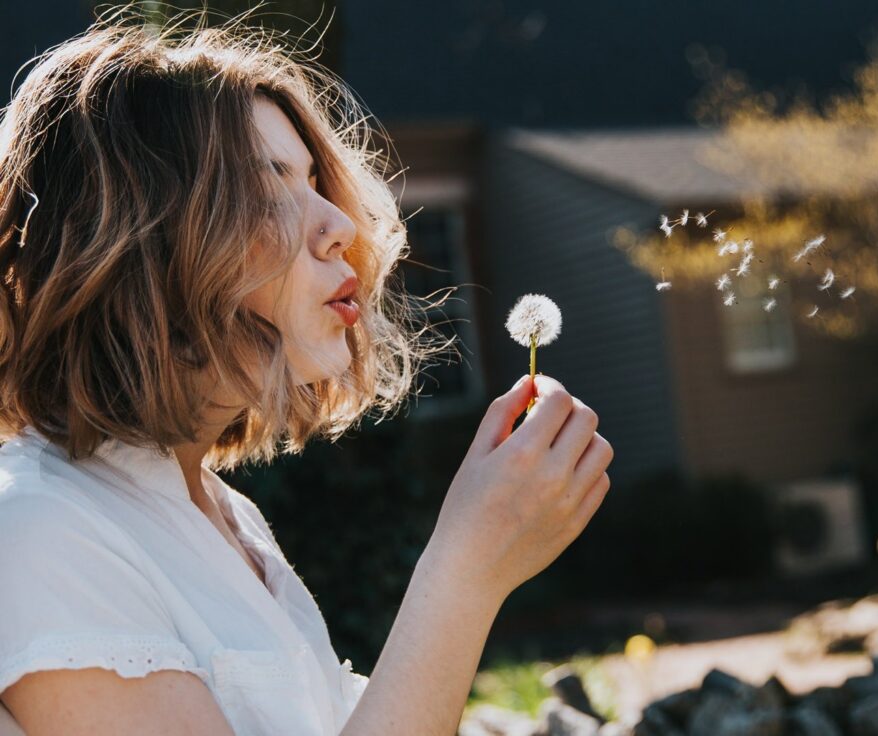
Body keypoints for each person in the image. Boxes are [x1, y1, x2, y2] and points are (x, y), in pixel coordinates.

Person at [0, 6, 614, 736]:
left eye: (317, 181)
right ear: (142, 246)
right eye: (269, 188)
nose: (342, 228)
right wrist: (465, 572)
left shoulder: (228, 520)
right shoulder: (39, 533)